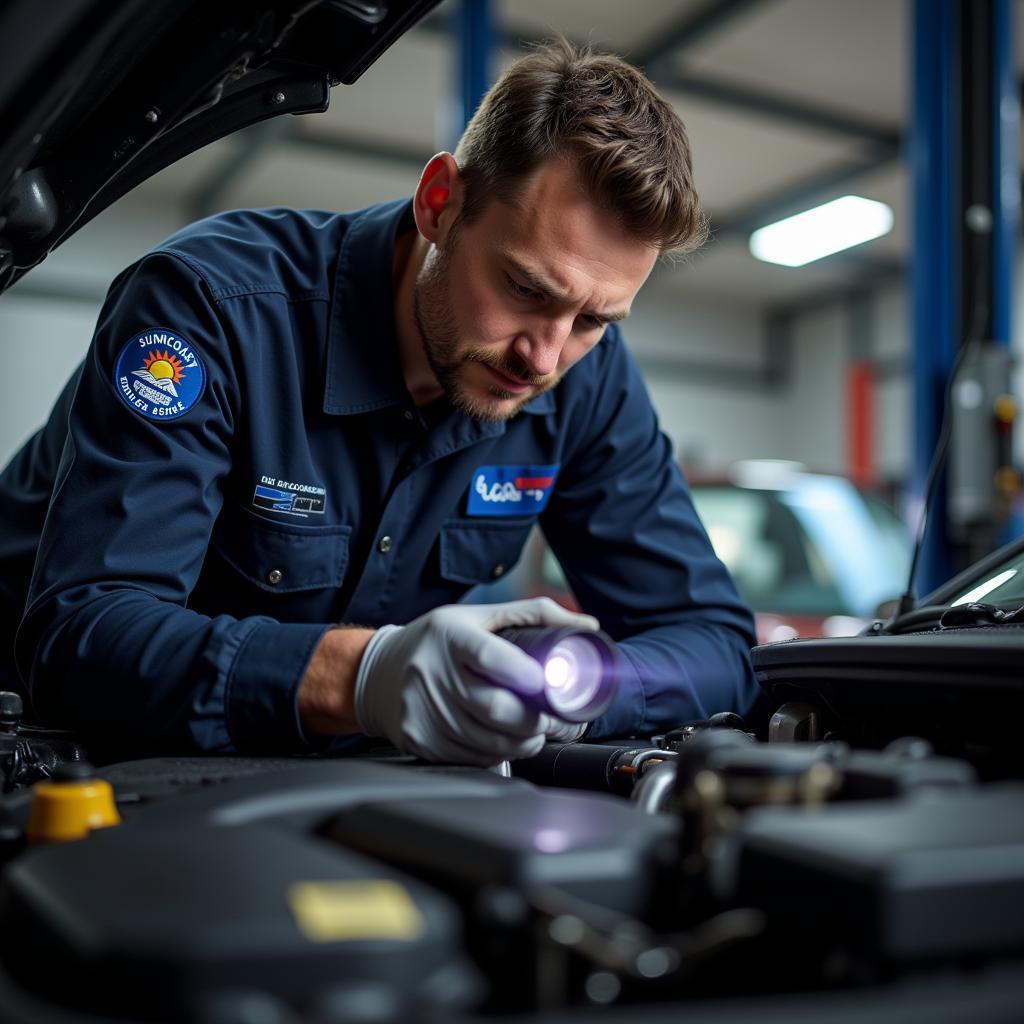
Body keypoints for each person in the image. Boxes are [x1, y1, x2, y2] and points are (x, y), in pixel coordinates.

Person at [0, 40, 758, 764]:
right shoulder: (209, 309)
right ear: (439, 204)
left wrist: (573, 691)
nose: (546, 356)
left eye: (593, 319)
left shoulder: (585, 376)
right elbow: (84, 635)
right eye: (526, 289)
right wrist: (360, 675)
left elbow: (715, 644)